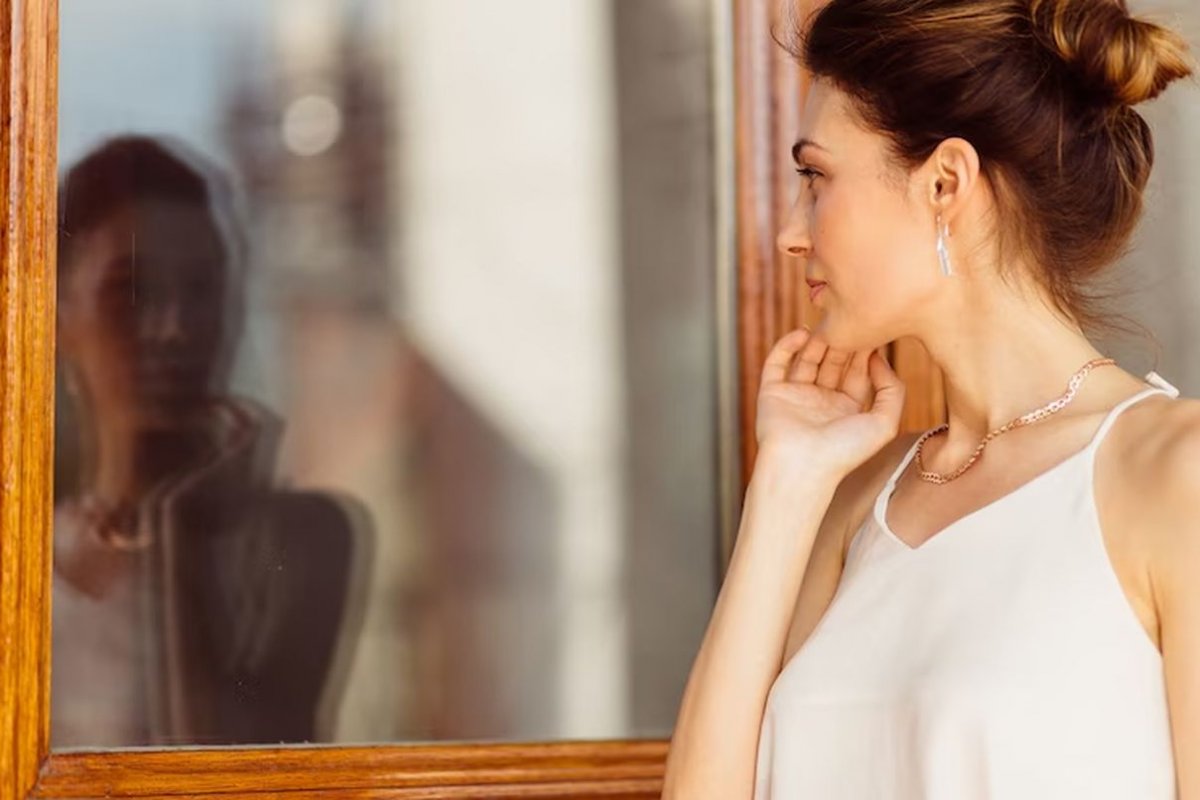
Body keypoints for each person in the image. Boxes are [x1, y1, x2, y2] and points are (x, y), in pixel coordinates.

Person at [662, 0, 1199, 797]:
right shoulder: (850, 504)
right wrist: (786, 483)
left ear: (945, 181)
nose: (790, 231)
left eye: (816, 177)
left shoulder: (1174, 474)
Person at [52, 135, 369, 747]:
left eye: (202, 291)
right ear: (61, 317)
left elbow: (240, 761)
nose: (174, 330)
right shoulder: (23, 566)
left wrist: (183, 530)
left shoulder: (302, 541)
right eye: (131, 291)